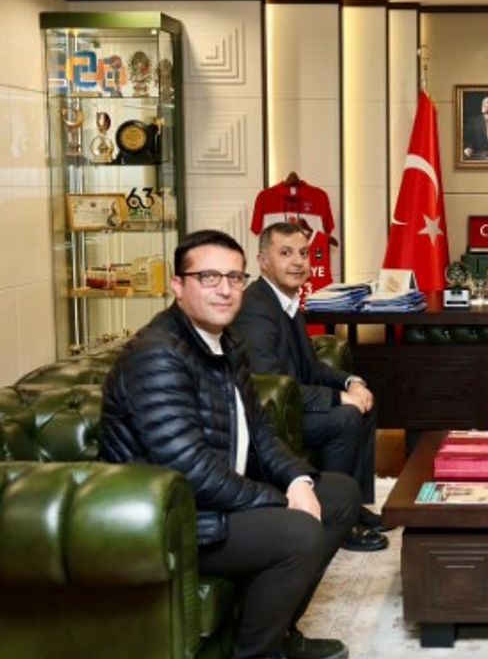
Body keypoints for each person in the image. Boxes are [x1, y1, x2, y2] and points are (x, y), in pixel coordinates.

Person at [99, 229, 356, 659]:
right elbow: (188, 469)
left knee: (338, 495)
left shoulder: (225, 340)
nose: (225, 289)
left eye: (235, 278)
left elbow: (261, 431)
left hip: (213, 501)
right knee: (299, 531)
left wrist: (297, 480)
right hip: (168, 518)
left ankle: (278, 633)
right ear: (178, 285)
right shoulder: (157, 354)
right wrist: (279, 500)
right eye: (209, 277)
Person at [232, 222, 389, 552]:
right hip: (271, 418)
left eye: (303, 253)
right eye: (285, 253)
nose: (298, 262)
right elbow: (271, 386)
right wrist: (337, 398)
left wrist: (350, 382)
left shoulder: (286, 301)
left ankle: (355, 506)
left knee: (364, 402)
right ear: (263, 261)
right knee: (344, 417)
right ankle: (337, 518)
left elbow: (311, 368)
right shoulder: (256, 309)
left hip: (292, 406)